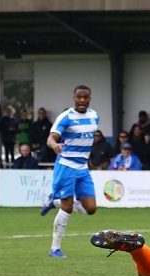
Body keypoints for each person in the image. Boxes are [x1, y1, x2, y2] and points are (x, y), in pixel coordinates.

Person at [40, 85, 100, 259]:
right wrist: (55, 145)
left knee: (91, 208)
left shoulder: (94, 116)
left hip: (83, 169)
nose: (82, 100)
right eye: (79, 97)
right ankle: (55, 248)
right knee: (68, 208)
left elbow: (85, 142)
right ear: (73, 97)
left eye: (85, 97)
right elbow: (51, 138)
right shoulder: (65, 117)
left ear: (90, 98)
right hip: (66, 166)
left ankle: (55, 201)